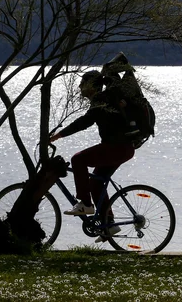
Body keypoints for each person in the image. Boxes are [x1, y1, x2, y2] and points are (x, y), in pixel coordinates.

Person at [49, 69, 136, 240]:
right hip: (122, 148)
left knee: (78, 159)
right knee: (96, 183)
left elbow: (84, 122)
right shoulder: (105, 100)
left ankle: (85, 204)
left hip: (116, 148)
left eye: (82, 83)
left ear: (90, 85)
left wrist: (57, 136)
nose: (80, 87)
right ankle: (108, 225)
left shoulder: (101, 100)